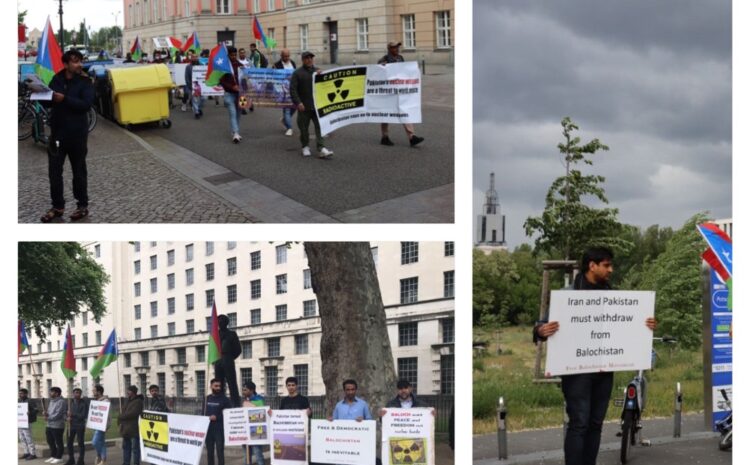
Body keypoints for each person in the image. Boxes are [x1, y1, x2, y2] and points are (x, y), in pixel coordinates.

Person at [533, 247, 657, 465]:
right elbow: (541, 326)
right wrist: (541, 331)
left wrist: (644, 325)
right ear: (592, 265)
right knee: (579, 422)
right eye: (606, 265)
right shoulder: (567, 296)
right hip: (576, 372)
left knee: (596, 423)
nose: (611, 270)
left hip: (603, 370)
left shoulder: (612, 297)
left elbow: (623, 326)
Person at [41, 49, 95, 223]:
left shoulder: (85, 81)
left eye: (80, 61)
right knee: (54, 172)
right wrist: (39, 92)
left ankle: (82, 206)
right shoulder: (57, 78)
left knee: (78, 171)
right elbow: (48, 101)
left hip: (77, 135)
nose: (79, 64)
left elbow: (86, 105)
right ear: (66, 64)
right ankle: (57, 206)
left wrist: (64, 99)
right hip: (57, 135)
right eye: (74, 61)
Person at [377, 41, 424, 147]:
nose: (397, 49)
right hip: (388, 92)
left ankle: (412, 137)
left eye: (397, 47)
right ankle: (384, 137)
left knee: (404, 111)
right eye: (394, 47)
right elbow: (377, 73)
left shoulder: (400, 58)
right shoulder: (384, 59)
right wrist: (381, 66)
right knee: (386, 114)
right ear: (389, 49)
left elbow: (404, 71)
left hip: (400, 91)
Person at [290, 51, 333, 159]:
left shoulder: (317, 71)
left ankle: (321, 148)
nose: (309, 60)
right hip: (303, 106)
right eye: (307, 58)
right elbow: (293, 90)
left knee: (320, 127)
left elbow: (326, 86)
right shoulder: (297, 73)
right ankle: (305, 146)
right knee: (304, 129)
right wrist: (298, 102)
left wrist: (322, 76)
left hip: (317, 106)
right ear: (303, 60)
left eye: (311, 58)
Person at [214, 314, 242, 407]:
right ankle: (220, 403)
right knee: (218, 383)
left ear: (226, 323)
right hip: (218, 361)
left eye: (221, 321)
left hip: (228, 359)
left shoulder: (232, 334)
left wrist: (229, 358)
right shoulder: (215, 335)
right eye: (218, 321)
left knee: (232, 383)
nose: (219, 323)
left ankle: (236, 404)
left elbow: (238, 350)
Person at [205, 378, 232, 465]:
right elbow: (203, 413)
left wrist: (217, 417)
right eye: (216, 386)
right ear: (211, 386)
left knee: (220, 451)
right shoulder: (206, 399)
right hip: (208, 429)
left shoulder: (225, 399)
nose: (218, 388)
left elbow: (229, 414)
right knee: (209, 452)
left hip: (219, 429)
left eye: (219, 386)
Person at [219, 46, 243, 143]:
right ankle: (236, 133)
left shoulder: (240, 65)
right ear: (228, 55)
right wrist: (231, 87)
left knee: (239, 113)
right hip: (229, 94)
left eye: (235, 55)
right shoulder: (224, 66)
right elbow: (221, 81)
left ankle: (235, 131)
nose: (233, 57)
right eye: (231, 55)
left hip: (241, 95)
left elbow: (245, 78)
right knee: (233, 113)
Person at [273, 49, 297, 137]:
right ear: (281, 56)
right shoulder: (276, 65)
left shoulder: (293, 63)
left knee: (295, 106)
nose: (287, 58)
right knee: (286, 109)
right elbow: (273, 78)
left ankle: (284, 120)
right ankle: (289, 128)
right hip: (283, 90)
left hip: (293, 89)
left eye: (288, 56)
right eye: (285, 56)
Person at [241, 382, 266, 465]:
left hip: (256, 431)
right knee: (246, 456)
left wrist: (247, 404)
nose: (243, 392)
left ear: (251, 390)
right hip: (245, 432)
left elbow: (260, 415)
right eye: (243, 390)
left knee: (258, 454)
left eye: (245, 390)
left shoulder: (259, 399)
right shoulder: (245, 400)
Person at [118, 386, 144, 465]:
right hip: (126, 429)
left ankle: (136, 463)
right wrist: (120, 421)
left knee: (135, 449)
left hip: (134, 428)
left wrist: (122, 416)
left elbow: (133, 413)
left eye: (128, 391)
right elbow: (123, 411)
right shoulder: (128, 401)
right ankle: (126, 462)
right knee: (126, 448)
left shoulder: (138, 401)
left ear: (133, 392)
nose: (127, 392)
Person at [65, 388, 88, 465]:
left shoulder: (83, 404)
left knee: (80, 443)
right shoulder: (69, 403)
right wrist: (66, 418)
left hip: (80, 426)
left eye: (78, 393)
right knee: (69, 443)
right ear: (73, 394)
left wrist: (73, 414)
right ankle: (71, 459)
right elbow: (65, 414)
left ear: (80, 394)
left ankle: (81, 460)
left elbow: (83, 415)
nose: (76, 394)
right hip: (70, 426)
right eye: (75, 393)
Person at [45, 387, 67, 464]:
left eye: (52, 392)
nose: (50, 393)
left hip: (57, 425)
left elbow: (58, 414)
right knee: (50, 441)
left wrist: (48, 417)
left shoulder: (61, 401)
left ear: (57, 393)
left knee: (58, 441)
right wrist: (46, 414)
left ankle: (59, 457)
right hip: (49, 424)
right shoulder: (51, 401)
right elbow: (49, 411)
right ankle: (53, 455)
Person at [91, 385, 109, 465]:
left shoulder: (105, 401)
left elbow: (107, 415)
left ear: (99, 392)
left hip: (102, 425)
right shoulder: (96, 401)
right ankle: (103, 459)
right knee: (101, 442)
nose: (93, 392)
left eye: (94, 390)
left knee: (95, 442)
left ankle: (100, 456)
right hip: (95, 424)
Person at [18, 388, 38, 460]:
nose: (20, 395)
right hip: (20, 422)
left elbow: (36, 410)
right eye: (19, 393)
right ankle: (26, 452)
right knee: (22, 438)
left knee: (28, 438)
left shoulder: (30, 401)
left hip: (27, 422)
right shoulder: (19, 401)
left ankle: (33, 453)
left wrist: (30, 413)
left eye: (21, 393)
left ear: (26, 394)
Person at [185, 52, 205, 119]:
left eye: (196, 57)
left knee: (203, 99)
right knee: (195, 100)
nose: (195, 58)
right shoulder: (188, 67)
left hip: (201, 86)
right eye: (193, 57)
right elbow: (187, 77)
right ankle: (196, 112)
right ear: (191, 58)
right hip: (193, 86)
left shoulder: (202, 65)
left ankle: (198, 108)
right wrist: (190, 86)